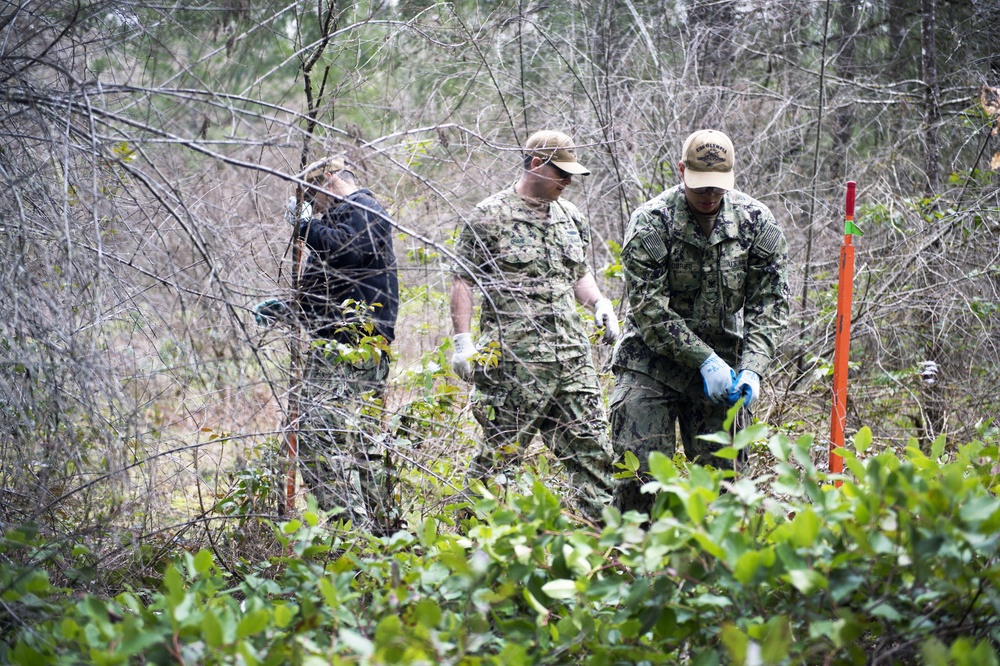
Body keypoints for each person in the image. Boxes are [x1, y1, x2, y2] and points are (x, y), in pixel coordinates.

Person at [610, 129, 790, 515]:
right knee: (638, 482)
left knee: (726, 488)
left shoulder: (756, 222)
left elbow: (770, 303)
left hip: (725, 367)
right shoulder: (650, 223)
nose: (709, 197)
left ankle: (710, 570)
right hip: (650, 365)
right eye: (700, 188)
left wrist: (753, 368)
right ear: (681, 171)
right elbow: (649, 311)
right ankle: (633, 564)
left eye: (717, 188)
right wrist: (703, 360)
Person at [448, 130, 620, 522]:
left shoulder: (570, 217)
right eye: (562, 172)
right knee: (498, 460)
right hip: (514, 365)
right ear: (537, 164)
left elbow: (578, 274)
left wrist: (599, 303)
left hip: (573, 362)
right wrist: (462, 341)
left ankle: (611, 552)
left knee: (595, 455)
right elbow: (463, 281)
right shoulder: (488, 216)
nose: (568, 181)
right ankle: (466, 549)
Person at [253, 155, 399, 534]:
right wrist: (291, 309)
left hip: (353, 346)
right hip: (339, 343)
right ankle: (380, 533)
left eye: (310, 196)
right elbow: (337, 286)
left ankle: (351, 533)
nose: (310, 205)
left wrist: (304, 226)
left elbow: (348, 250)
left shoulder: (365, 210)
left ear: (328, 180)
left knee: (320, 435)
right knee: (358, 442)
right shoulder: (339, 220)